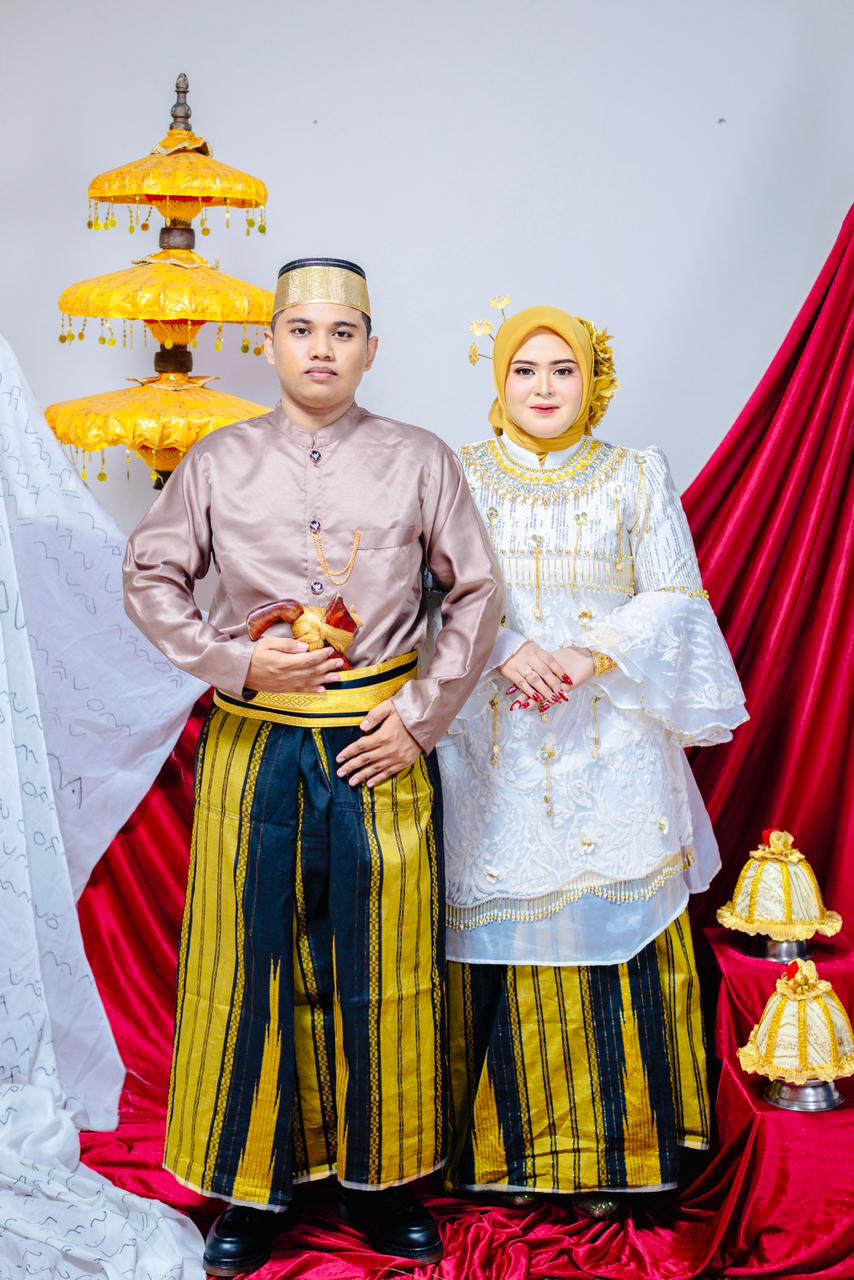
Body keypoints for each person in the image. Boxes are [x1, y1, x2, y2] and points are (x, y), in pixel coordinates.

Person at [122, 258, 502, 1275]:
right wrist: (233, 659)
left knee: (381, 964)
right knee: (249, 965)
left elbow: (476, 593)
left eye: (342, 331)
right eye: (301, 330)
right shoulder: (218, 460)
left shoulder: (420, 458)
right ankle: (252, 1188)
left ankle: (384, 1185)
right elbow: (150, 574)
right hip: (254, 742)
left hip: (378, 744)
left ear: (371, 349)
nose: (321, 348)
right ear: (271, 345)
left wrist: (420, 718)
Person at [438, 303, 747, 1213]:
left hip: (611, 743)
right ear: (499, 380)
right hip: (498, 744)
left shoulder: (636, 474)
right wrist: (504, 648)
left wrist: (589, 653)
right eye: (525, 370)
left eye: (562, 369)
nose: (543, 388)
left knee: (620, 934)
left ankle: (625, 1158)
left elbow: (676, 596)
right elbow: (430, 592)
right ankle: (506, 1155)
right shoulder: (459, 476)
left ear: (592, 380)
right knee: (510, 937)